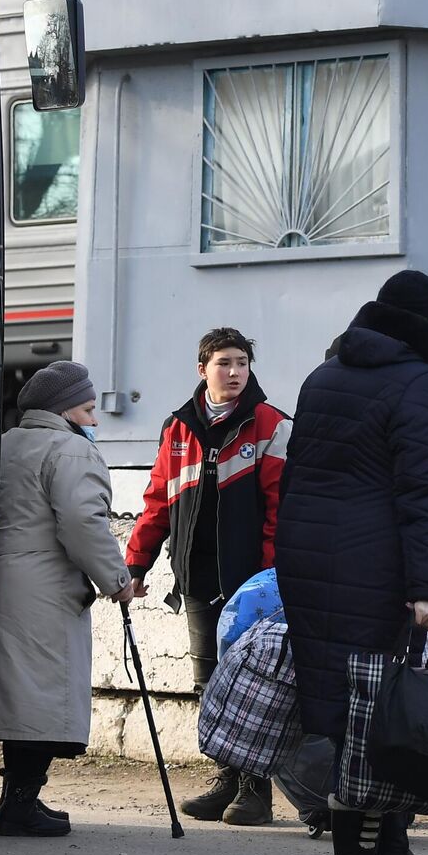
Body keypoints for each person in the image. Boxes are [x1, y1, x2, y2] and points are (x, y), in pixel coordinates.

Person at [278, 269, 428, 855]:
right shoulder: (423, 384)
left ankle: (381, 849)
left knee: (339, 709)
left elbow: (297, 477)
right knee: (376, 715)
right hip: (377, 567)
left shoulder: (322, 376)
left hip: (310, 560)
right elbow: (425, 494)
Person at [125, 328, 291, 827]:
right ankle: (224, 778)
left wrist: (269, 576)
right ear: (203, 370)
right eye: (224, 363)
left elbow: (281, 512)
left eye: (242, 362)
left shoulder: (273, 425)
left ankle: (253, 790)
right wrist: (135, 566)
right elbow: (157, 502)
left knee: (255, 685)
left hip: (253, 585)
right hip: (197, 580)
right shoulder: (177, 428)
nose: (235, 372)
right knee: (210, 684)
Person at [0, 361, 140, 838]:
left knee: (22, 695)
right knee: (42, 696)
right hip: (45, 586)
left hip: (3, 580)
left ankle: (17, 799)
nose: (96, 420)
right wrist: (118, 581)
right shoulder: (69, 451)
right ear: (64, 409)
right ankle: (21, 803)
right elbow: (84, 526)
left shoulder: (5, 443)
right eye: (88, 409)